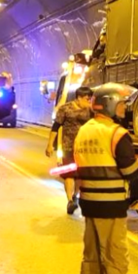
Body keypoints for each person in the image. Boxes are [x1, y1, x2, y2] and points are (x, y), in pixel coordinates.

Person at [73, 83, 138, 274]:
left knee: (91, 253)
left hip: (89, 202)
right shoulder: (117, 133)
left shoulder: (84, 130)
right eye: (122, 104)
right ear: (111, 104)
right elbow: (129, 170)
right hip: (111, 202)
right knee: (114, 256)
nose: (124, 108)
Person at [46, 86, 94, 214]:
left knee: (80, 175)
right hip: (69, 146)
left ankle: (75, 196)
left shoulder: (91, 111)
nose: (89, 101)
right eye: (86, 99)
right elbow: (56, 127)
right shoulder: (65, 109)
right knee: (69, 174)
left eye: (90, 99)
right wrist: (50, 144)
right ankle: (69, 201)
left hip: (85, 147)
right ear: (78, 98)